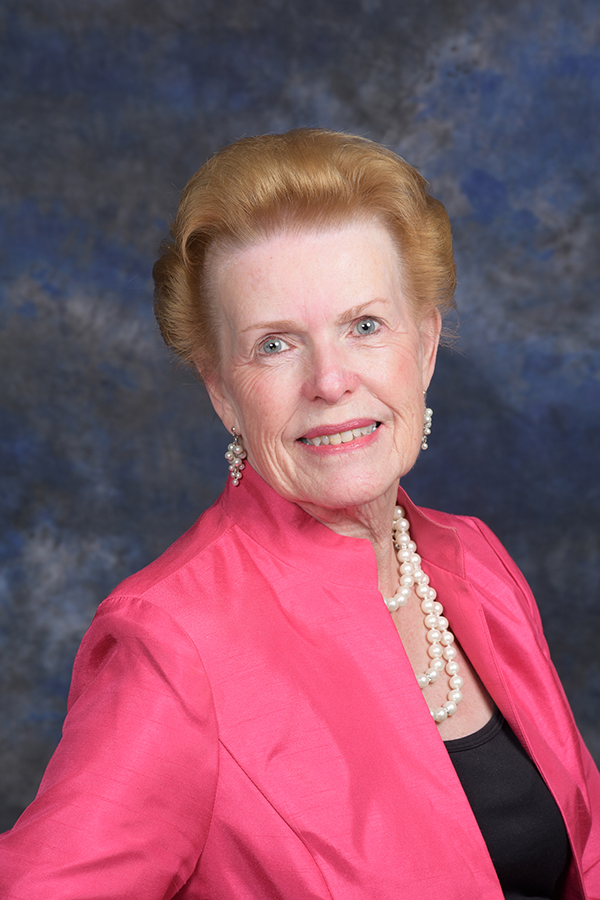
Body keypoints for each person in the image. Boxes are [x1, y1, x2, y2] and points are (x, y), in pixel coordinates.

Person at [0, 128, 598, 899]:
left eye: (365, 326)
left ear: (424, 346)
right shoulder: (174, 643)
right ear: (222, 390)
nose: (330, 380)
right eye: (276, 344)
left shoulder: (473, 560)